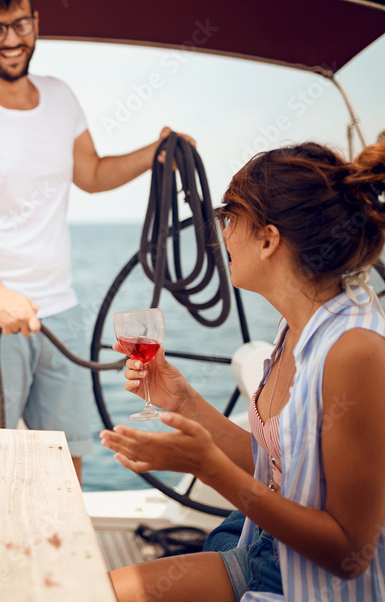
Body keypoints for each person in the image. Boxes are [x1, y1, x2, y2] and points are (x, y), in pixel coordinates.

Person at [0, 0, 190, 482]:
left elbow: (91, 173)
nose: (11, 40)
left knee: (67, 465)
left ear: (36, 23)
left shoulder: (60, 96)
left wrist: (155, 154)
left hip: (60, 311)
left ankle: (58, 563)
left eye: (20, 24)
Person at [102, 142, 385, 601]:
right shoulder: (294, 328)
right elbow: (271, 462)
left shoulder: (355, 351)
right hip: (262, 554)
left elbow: (348, 554)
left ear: (269, 239)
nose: (221, 237)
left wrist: (210, 470)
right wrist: (184, 401)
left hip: (309, 586)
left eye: (229, 219)